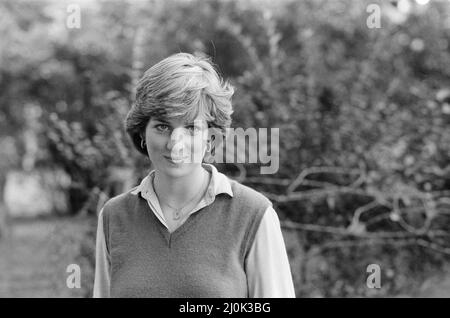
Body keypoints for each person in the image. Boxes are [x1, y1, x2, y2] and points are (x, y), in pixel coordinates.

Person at [93, 52, 295, 298]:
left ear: (210, 138)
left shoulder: (254, 215)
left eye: (190, 127)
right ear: (142, 133)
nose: (175, 143)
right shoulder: (113, 217)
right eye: (163, 126)